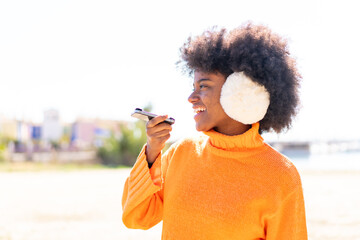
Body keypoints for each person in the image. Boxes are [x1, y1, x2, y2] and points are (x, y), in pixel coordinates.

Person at [122, 22, 307, 239]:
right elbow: (136, 216)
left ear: (240, 90)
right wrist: (152, 152)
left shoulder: (281, 175)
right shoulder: (181, 153)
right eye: (193, 87)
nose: (191, 98)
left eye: (203, 86)